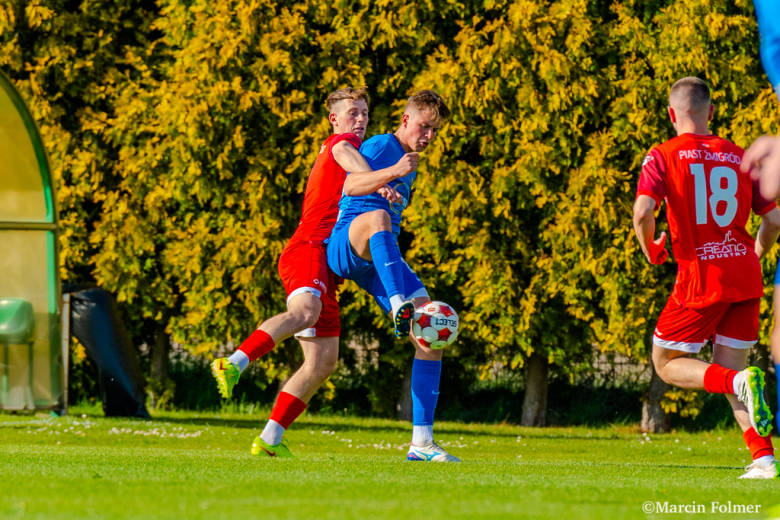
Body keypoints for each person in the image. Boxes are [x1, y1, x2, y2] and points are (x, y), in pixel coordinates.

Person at [210, 86, 418, 458]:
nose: (360, 119)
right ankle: (233, 362)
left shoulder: (358, 152)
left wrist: (381, 181)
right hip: (308, 249)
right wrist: (388, 177)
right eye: (352, 112)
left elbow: (358, 175)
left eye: (365, 113)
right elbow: (347, 159)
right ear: (334, 119)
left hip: (325, 263)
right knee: (305, 312)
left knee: (323, 361)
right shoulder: (339, 143)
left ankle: (269, 439)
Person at [633, 77, 780, 479]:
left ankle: (739, 386)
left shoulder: (663, 155)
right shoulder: (739, 156)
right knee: (733, 369)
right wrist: (754, 256)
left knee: (666, 363)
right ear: (711, 112)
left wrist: (651, 249)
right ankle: (764, 461)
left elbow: (643, 213)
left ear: (670, 114)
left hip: (702, 277)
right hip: (744, 275)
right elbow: (774, 220)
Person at [327, 90, 460, 462]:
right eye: (424, 126)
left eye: (435, 130)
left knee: (431, 330)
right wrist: (393, 172)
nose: (429, 135)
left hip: (379, 261)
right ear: (405, 120)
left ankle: (421, 443)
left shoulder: (411, 163)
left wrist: (400, 177)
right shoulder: (383, 144)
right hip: (347, 246)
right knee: (379, 218)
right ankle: (399, 304)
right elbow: (350, 186)